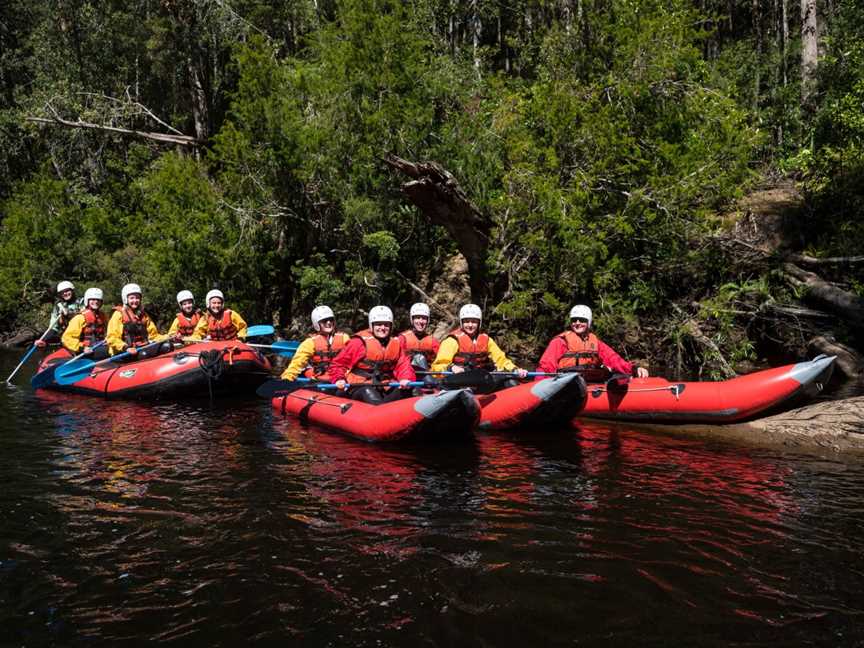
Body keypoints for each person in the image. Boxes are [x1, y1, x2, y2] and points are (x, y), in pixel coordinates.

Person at [329, 305, 416, 404]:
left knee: (408, 390)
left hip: (384, 385)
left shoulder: (396, 343)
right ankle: (380, 412)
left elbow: (404, 366)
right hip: (359, 386)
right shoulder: (358, 342)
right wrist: (339, 379)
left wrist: (406, 379)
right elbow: (338, 364)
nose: (382, 328)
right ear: (372, 325)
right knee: (369, 393)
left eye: (386, 325)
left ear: (391, 326)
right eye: (378, 324)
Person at [535, 305, 649, 380]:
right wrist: (539, 387)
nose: (577, 323)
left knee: (618, 375)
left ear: (588, 322)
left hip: (590, 381)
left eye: (582, 320)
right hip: (567, 383)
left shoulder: (596, 342)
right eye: (574, 320)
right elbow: (545, 366)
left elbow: (614, 359)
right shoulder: (560, 341)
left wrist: (634, 369)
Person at [431, 304, 528, 386]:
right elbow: (437, 366)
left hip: (482, 380)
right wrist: (451, 368)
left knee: (511, 381)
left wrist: (515, 369)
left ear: (479, 323)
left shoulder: (487, 340)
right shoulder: (452, 341)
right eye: (466, 321)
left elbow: (501, 360)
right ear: (461, 322)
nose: (470, 325)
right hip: (460, 380)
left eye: (474, 321)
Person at [280, 305, 350, 382]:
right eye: (324, 321)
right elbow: (297, 363)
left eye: (331, 319)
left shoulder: (344, 338)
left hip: (342, 378)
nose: (329, 322)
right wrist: (287, 378)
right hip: (321, 379)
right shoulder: (309, 343)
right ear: (316, 324)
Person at [106, 283, 163, 357]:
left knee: (166, 346)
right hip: (123, 350)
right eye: (132, 298)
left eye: (137, 298)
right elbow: (112, 337)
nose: (135, 300)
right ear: (125, 299)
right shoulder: (118, 314)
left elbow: (153, 335)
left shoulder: (143, 315)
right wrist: (125, 347)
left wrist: (168, 337)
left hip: (141, 346)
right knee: (144, 354)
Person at [60, 287, 109, 360]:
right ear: (87, 301)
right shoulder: (80, 317)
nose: (95, 302)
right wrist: (82, 348)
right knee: (109, 351)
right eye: (92, 300)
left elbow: (108, 332)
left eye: (98, 300)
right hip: (85, 350)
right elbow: (66, 338)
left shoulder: (103, 316)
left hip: (99, 345)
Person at [36, 280, 84, 347]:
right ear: (60, 295)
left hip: (83, 337)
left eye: (67, 291)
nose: (65, 293)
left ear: (72, 291)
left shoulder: (82, 302)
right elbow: (53, 328)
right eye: (62, 292)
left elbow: (85, 316)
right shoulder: (58, 307)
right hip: (68, 339)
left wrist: (70, 314)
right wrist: (43, 339)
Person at [398, 302, 440, 371]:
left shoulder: (433, 341)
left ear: (427, 320)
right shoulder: (402, 338)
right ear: (412, 320)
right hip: (407, 374)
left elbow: (439, 361)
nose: (421, 321)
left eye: (424, 318)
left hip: (427, 375)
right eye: (417, 318)